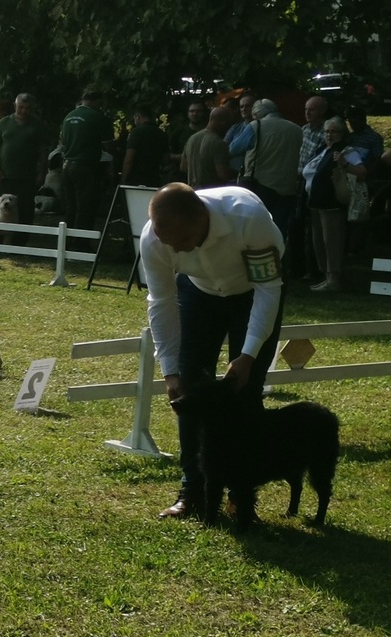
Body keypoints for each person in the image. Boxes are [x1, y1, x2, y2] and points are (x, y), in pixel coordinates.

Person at [140, 183, 285, 520]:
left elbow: (268, 290)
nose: (176, 249)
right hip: (198, 292)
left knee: (245, 391)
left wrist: (248, 356)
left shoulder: (249, 218)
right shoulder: (154, 239)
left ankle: (241, 496)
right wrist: (170, 371)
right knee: (189, 389)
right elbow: (161, 302)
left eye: (182, 240)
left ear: (201, 218)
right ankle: (193, 490)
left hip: (253, 292)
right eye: (168, 242)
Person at [301, 117, 369, 292]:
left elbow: (361, 172)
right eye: (327, 131)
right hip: (316, 203)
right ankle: (326, 277)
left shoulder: (347, 151)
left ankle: (334, 279)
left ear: (342, 133)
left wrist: (344, 163)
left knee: (332, 241)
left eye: (334, 131)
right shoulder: (322, 149)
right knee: (319, 241)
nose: (329, 135)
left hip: (332, 203)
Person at [240, 99, 303, 236]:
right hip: (288, 188)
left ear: (257, 114)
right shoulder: (297, 129)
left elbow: (234, 148)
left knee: (258, 228)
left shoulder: (256, 126)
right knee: (279, 230)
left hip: (261, 185)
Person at [58, 91, 110, 250]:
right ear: (97, 101)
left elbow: (62, 141)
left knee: (71, 206)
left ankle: (65, 242)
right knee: (85, 206)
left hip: (67, 166)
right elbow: (107, 145)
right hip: (86, 166)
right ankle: (80, 243)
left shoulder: (68, 116)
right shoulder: (97, 117)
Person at [0, 93, 47, 231]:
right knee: (1, 206)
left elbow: (43, 151)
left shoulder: (38, 125)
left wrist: (42, 172)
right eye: (21, 107)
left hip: (27, 175)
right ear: (14, 106)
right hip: (5, 175)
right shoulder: (4, 122)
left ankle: (22, 237)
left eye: (27, 108)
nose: (24, 111)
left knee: (25, 208)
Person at [182, 105, 236, 188]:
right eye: (228, 123)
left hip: (193, 190)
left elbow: (183, 167)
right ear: (223, 122)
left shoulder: (192, 138)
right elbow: (223, 174)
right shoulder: (218, 143)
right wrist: (238, 173)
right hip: (212, 191)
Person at [121, 105, 168, 187]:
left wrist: (123, 178)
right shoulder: (161, 134)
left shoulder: (136, 132)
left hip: (136, 179)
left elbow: (129, 159)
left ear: (138, 117)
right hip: (154, 178)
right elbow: (166, 158)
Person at [168, 100, 208, 183]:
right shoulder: (179, 132)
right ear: (188, 113)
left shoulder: (209, 132)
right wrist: (185, 157)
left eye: (198, 111)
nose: (195, 114)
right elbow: (168, 155)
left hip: (205, 176)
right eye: (192, 111)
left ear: (204, 113)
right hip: (182, 176)